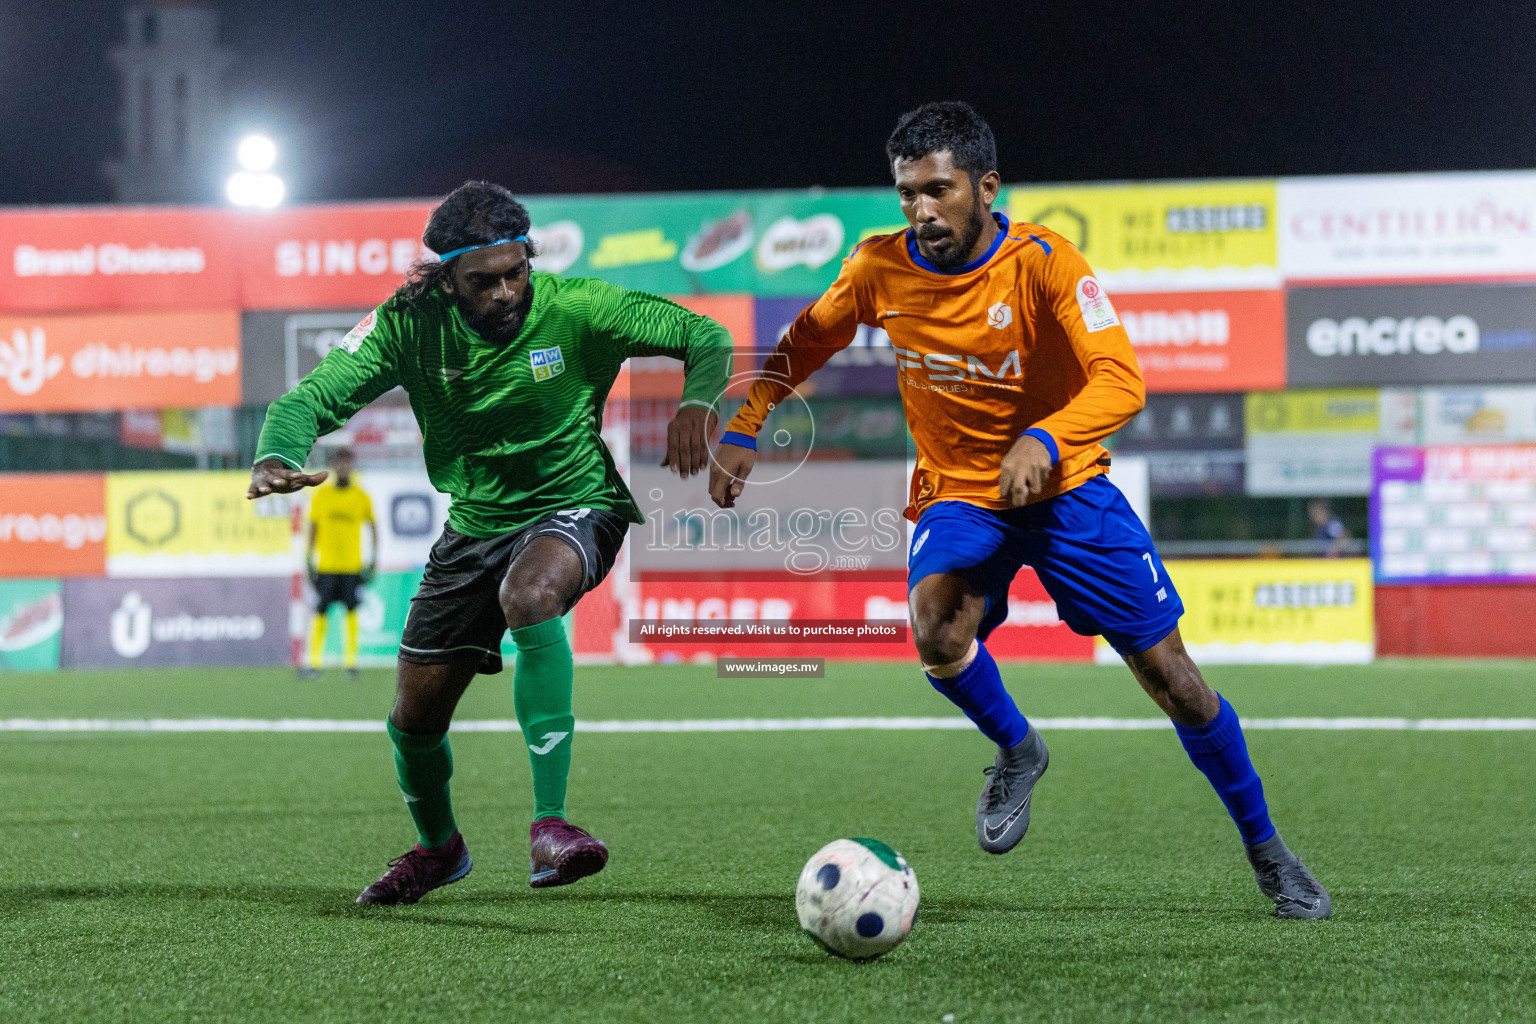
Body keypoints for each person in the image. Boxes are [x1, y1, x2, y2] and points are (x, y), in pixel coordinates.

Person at [709, 103, 1329, 919]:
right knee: (935, 629)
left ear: (985, 187)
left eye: (938, 190)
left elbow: (1121, 379)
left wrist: (1048, 435)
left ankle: (1269, 852)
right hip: (962, 494)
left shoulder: (1047, 263)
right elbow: (804, 340)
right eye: (905, 194)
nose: (921, 210)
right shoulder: (876, 268)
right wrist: (748, 421)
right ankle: (1017, 748)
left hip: (1068, 489)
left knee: (1174, 681)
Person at [248, 180, 731, 905]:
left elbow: (706, 334)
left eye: (517, 272)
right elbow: (309, 398)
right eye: (484, 281)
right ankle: (438, 850)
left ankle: (551, 825)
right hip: (474, 525)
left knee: (531, 595)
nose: (506, 293)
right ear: (445, 280)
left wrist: (697, 401)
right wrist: (277, 452)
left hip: (577, 504)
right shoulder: (407, 325)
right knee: (413, 722)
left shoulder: (579, 307)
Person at [301, 447, 376, 679]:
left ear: (351, 466)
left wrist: (373, 561)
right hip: (326, 566)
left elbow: (373, 528)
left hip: (352, 566)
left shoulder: (361, 496)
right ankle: (314, 663)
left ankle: (351, 663)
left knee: (351, 611)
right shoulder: (322, 496)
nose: (343, 467)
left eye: (347, 463)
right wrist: (308, 559)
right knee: (320, 611)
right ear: (334, 466)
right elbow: (312, 529)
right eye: (339, 463)